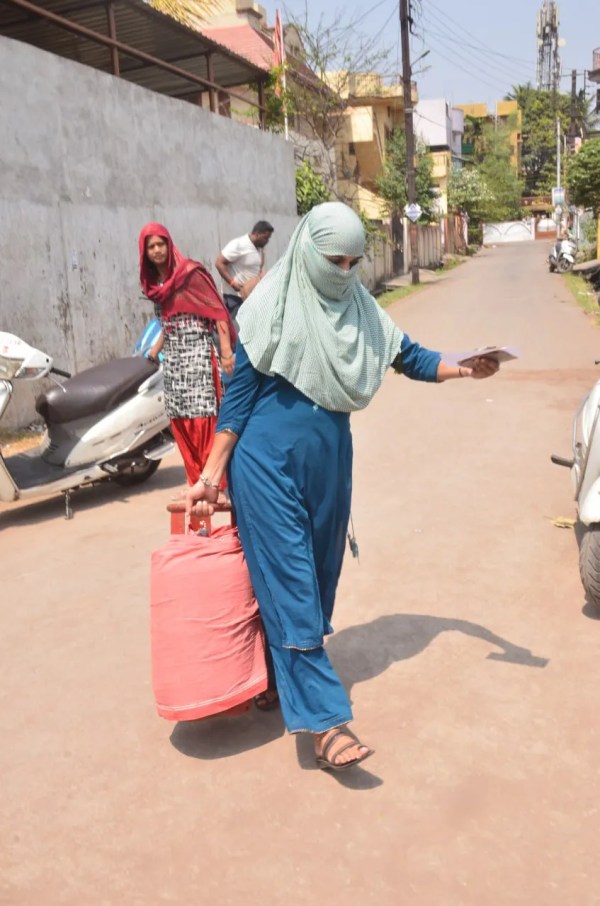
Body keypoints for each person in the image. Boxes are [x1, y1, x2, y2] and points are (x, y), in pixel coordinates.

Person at [186, 202, 499, 772]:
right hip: (265, 464)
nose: (344, 270)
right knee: (294, 587)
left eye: (354, 261)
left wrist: (464, 367)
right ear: (306, 249)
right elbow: (236, 403)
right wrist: (210, 477)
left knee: (319, 577)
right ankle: (327, 723)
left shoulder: (358, 305)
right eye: (335, 259)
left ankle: (275, 677)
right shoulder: (270, 305)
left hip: (330, 463)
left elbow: (409, 356)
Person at [139, 222, 235, 486]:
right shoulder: (155, 284)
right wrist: (153, 352)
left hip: (198, 354)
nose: (157, 250)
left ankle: (216, 483)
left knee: (204, 417)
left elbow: (217, 312)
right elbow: (168, 323)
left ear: (169, 245)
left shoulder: (189, 273)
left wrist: (226, 352)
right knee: (180, 419)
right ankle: (196, 482)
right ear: (144, 252)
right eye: (151, 246)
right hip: (174, 362)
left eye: (161, 244)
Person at [215, 221, 274, 321]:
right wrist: (232, 283)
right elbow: (219, 263)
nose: (267, 241)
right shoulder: (239, 244)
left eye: (268, 238)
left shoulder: (259, 249)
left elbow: (257, 270)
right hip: (235, 298)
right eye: (265, 238)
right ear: (257, 233)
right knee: (239, 331)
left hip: (250, 298)